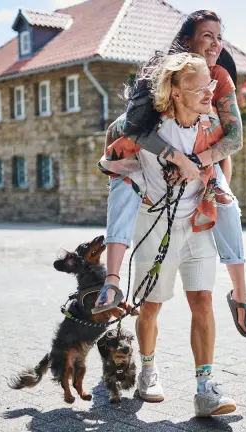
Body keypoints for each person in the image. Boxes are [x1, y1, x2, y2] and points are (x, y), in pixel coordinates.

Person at [94, 10, 246, 338]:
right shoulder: (159, 76)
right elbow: (130, 127)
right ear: (186, 40)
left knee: (227, 204)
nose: (215, 43)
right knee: (125, 186)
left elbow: (235, 138)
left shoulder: (220, 77)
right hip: (147, 154)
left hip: (203, 155)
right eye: (207, 35)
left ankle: (240, 295)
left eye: (219, 37)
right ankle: (112, 282)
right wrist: (176, 158)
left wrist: (196, 162)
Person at [98, 52, 236, 417]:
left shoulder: (212, 126)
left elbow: (230, 151)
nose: (210, 91)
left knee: (203, 301)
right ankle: (147, 369)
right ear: (174, 91)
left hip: (196, 224)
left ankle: (205, 388)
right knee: (151, 307)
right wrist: (173, 157)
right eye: (199, 86)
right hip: (154, 223)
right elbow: (116, 138)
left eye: (210, 83)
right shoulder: (149, 129)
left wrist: (205, 173)